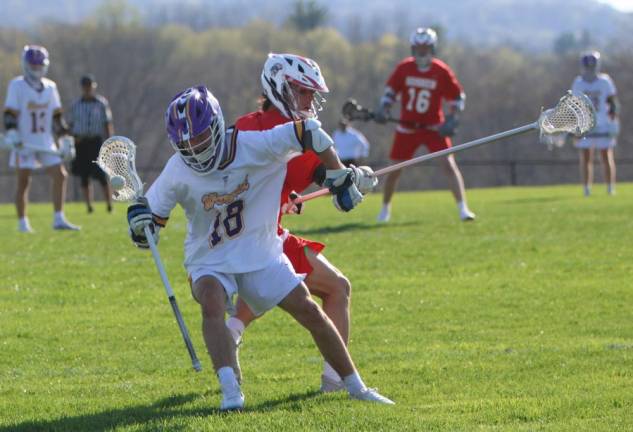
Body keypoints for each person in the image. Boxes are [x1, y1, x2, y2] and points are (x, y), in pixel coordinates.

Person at [127, 85, 392, 411]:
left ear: (216, 126)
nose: (193, 147)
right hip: (209, 257)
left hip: (261, 250)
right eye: (185, 141)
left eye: (198, 137)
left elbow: (310, 131)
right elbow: (149, 230)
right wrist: (140, 227)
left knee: (310, 311)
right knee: (211, 301)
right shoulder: (177, 169)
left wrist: (338, 174)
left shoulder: (254, 144)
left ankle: (356, 386)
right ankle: (230, 392)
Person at [226, 53, 376, 393]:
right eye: (303, 92)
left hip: (231, 237)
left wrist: (351, 177)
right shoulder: (299, 137)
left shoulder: (242, 125)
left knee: (266, 291)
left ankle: (231, 333)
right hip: (262, 238)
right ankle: (336, 380)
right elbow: (342, 197)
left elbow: (329, 183)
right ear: (280, 88)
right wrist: (352, 181)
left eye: (312, 93)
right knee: (337, 288)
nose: (310, 100)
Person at [374, 27, 475, 222]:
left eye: (425, 48)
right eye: (418, 48)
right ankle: (385, 210)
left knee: (449, 165)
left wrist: (452, 118)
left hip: (433, 128)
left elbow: (457, 97)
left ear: (432, 48)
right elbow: (390, 93)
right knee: (394, 170)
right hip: (407, 128)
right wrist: (384, 108)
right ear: (413, 48)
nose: (422, 52)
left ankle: (463, 209)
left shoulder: (440, 70)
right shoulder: (404, 68)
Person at [3, 45, 80, 232]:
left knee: (60, 175)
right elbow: (9, 114)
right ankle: (23, 223)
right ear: (26, 65)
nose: (37, 69)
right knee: (23, 180)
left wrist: (65, 137)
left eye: (39, 65)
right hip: (25, 141)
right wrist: (12, 132)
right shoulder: (17, 85)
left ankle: (59, 218)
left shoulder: (50, 87)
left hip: (45, 141)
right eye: (33, 65)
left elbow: (56, 117)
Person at [571, 51, 620, 196]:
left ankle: (610, 188)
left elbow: (613, 103)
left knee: (606, 155)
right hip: (586, 124)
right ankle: (587, 188)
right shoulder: (578, 83)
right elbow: (574, 106)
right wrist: (575, 127)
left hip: (603, 123)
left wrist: (613, 120)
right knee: (586, 157)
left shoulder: (605, 81)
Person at [69, 74, 114, 213]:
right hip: (81, 142)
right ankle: (89, 205)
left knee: (101, 174)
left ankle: (109, 203)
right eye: (85, 86)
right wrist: (72, 138)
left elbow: (107, 123)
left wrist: (110, 141)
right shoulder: (76, 105)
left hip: (96, 142)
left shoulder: (101, 103)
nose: (88, 89)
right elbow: (71, 124)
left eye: (90, 86)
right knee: (84, 175)